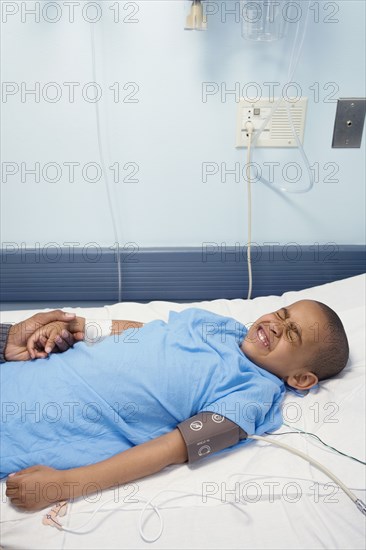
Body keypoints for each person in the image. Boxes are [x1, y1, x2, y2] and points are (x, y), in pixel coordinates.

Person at [2, 300, 349, 512]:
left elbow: (171, 449)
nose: (275, 324)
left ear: (302, 380)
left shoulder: (250, 398)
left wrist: (64, 485)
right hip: (29, 373)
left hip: (42, 424)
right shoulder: (223, 328)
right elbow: (154, 332)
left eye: (291, 333)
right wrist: (85, 327)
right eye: (281, 313)